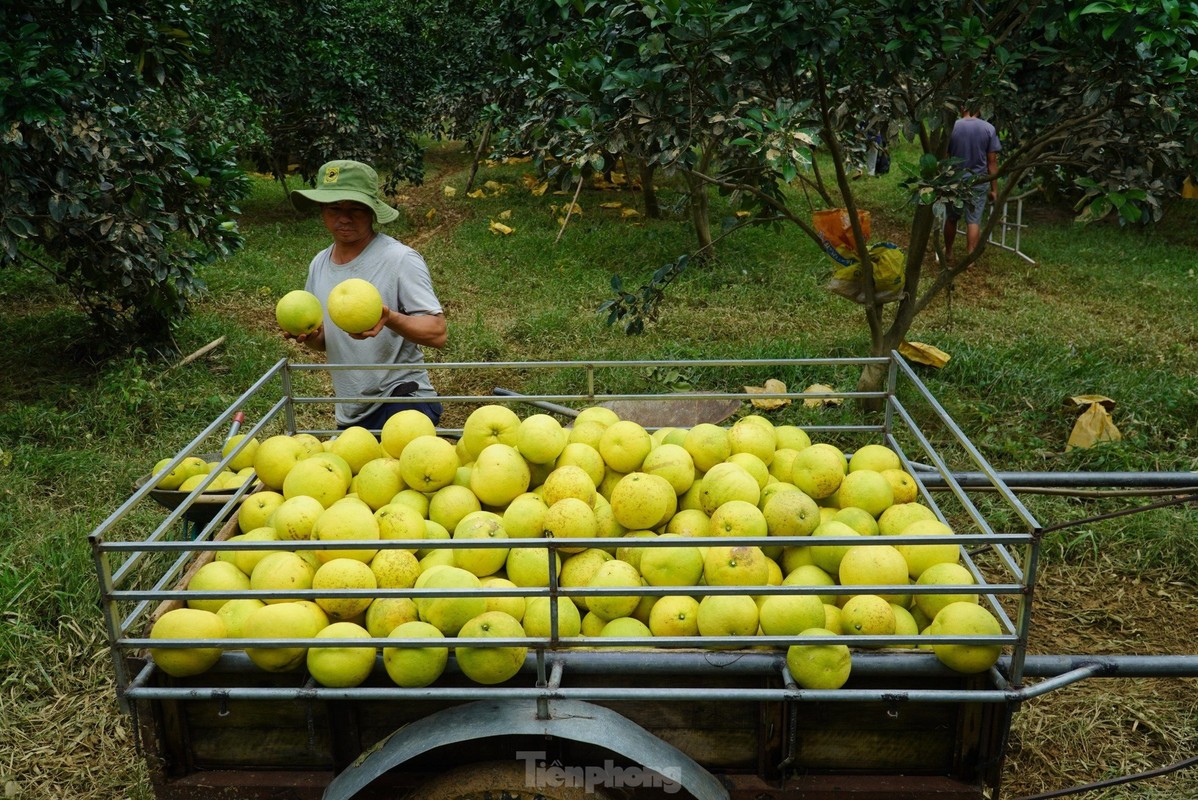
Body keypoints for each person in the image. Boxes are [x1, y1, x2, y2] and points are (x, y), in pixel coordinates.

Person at [285, 159, 447, 429]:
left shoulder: (399, 259)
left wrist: (388, 318)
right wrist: (310, 337)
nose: (344, 218)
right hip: (350, 412)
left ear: (372, 212)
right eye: (334, 208)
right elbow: (327, 340)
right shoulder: (319, 265)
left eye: (356, 209)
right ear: (322, 211)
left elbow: (437, 332)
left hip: (403, 400)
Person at [943, 108, 1000, 263]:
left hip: (955, 179)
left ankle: (948, 252)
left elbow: (944, 157)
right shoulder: (988, 128)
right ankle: (970, 257)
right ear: (980, 110)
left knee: (952, 218)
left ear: (962, 108)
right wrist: (994, 189)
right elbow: (992, 162)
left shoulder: (952, 127)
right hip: (978, 180)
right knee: (973, 220)